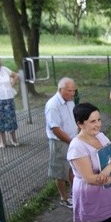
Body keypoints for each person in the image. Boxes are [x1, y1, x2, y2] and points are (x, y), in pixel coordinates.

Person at [45, 78, 78, 208]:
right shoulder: (53, 105)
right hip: (60, 142)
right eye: (69, 91)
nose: (72, 94)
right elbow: (55, 129)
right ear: (61, 90)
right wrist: (71, 141)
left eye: (73, 91)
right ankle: (64, 198)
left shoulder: (70, 101)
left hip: (72, 139)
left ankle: (75, 194)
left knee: (71, 168)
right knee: (60, 171)